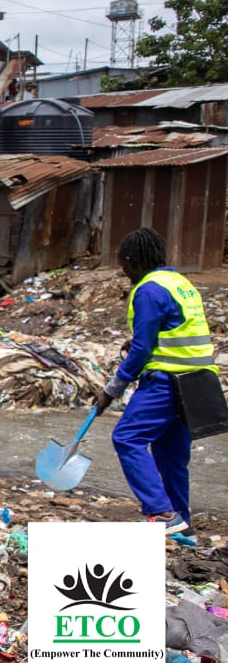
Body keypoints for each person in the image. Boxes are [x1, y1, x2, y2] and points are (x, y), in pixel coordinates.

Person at [94, 228, 216, 538]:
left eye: (124, 265)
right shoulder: (182, 284)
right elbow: (175, 327)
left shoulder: (148, 289)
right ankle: (180, 523)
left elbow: (143, 350)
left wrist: (111, 389)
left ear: (133, 262)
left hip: (166, 380)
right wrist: (137, 340)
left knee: (127, 437)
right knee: (170, 454)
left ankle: (162, 512)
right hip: (199, 382)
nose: (124, 272)